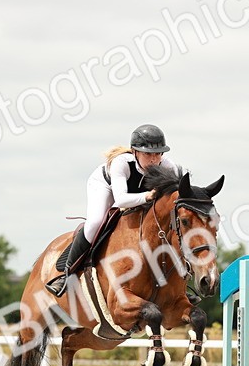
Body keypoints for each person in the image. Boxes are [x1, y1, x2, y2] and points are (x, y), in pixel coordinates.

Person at [47, 124, 185, 296]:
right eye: (148, 154)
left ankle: (180, 283)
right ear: (135, 152)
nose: (153, 159)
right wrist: (148, 196)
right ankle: (66, 274)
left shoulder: (168, 166)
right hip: (106, 186)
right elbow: (120, 200)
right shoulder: (122, 163)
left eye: (158, 154)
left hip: (138, 194)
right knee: (96, 222)